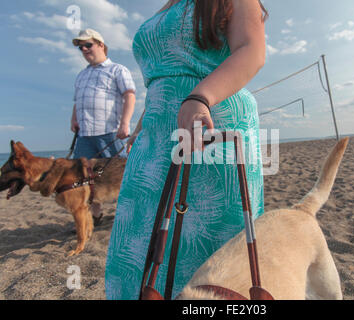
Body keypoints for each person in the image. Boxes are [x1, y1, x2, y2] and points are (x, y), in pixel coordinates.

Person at [105, 0, 268, 299]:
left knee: (204, 257)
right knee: (137, 252)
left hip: (209, 125)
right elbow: (163, 77)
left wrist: (202, 96)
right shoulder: (171, 4)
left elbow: (252, 50)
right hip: (155, 135)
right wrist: (144, 121)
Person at [71, 29, 136, 159]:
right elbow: (78, 101)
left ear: (101, 45)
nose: (84, 49)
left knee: (116, 175)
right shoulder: (81, 75)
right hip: (84, 136)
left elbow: (130, 96)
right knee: (81, 177)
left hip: (110, 133)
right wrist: (74, 119)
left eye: (88, 45)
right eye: (81, 47)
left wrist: (125, 124)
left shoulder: (117, 70)